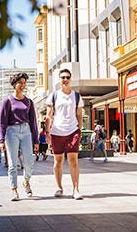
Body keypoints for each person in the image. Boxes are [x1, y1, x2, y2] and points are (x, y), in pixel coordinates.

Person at [0, 72, 39, 201]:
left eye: (24, 83)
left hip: (26, 131)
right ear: (14, 84)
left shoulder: (29, 102)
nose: (23, 85)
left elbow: (33, 122)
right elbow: (2, 122)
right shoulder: (8, 101)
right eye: (20, 83)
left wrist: (36, 140)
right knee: (12, 163)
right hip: (12, 132)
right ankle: (14, 190)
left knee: (29, 162)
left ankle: (26, 181)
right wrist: (1, 140)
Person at [45, 68, 84, 200]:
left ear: (70, 79)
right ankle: (59, 188)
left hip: (72, 131)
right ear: (59, 80)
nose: (65, 80)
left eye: (67, 77)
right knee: (58, 161)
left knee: (73, 160)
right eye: (63, 77)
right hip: (56, 132)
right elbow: (49, 115)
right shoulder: (54, 96)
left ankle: (76, 189)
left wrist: (79, 130)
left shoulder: (76, 96)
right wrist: (47, 132)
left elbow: (79, 115)